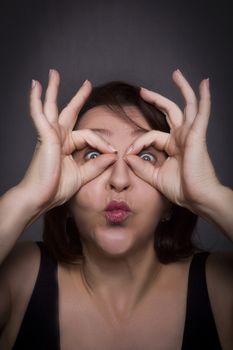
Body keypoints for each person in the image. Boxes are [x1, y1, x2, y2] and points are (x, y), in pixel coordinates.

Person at [0, 68, 232, 350]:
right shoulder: (19, 276)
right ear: (66, 198)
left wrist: (210, 195)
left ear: (170, 203)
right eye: (95, 155)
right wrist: (28, 196)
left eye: (145, 156)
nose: (119, 180)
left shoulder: (221, 287)